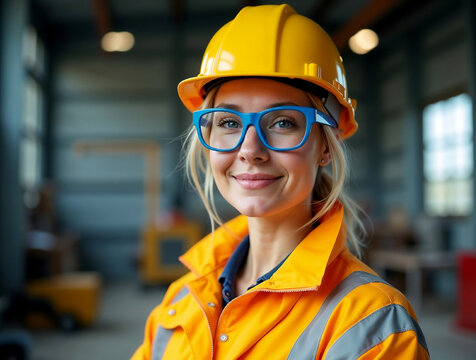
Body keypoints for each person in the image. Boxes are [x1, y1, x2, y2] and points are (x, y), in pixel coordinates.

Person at [132, 4, 429, 359]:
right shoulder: (181, 299)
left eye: (284, 121)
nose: (249, 149)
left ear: (326, 147)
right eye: (228, 122)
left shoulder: (371, 325)